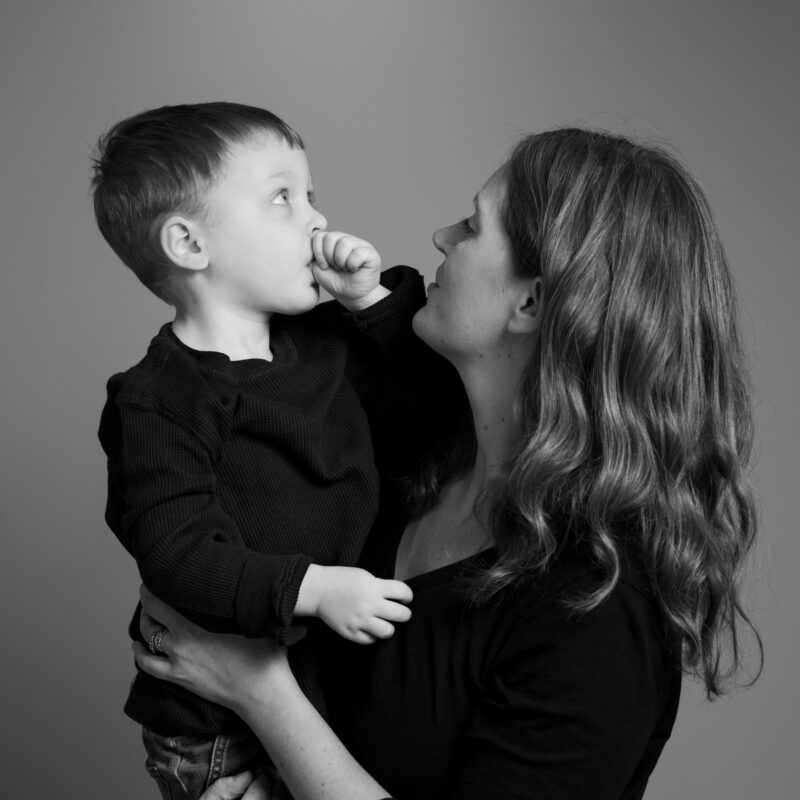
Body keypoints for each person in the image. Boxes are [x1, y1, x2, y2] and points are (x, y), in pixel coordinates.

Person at [133, 127, 762, 800]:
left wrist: (260, 691)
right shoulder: (398, 458)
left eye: (471, 227)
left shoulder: (600, 606)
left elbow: (271, 687)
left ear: (532, 302)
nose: (441, 237)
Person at [92, 102, 424, 799]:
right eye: (282, 198)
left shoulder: (324, 342)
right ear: (188, 245)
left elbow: (419, 402)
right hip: (216, 732)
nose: (314, 220)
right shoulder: (160, 399)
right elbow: (178, 552)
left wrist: (367, 300)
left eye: (312, 196)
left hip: (317, 694)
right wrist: (315, 588)